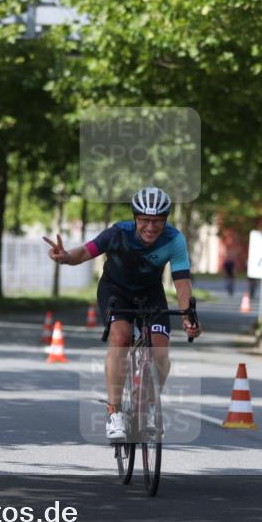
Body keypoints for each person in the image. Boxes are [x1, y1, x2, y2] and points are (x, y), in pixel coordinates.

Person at [43, 186, 202, 441]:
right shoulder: (118, 233)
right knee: (121, 337)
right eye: (145, 220)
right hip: (115, 290)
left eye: (158, 221)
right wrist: (65, 257)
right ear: (136, 218)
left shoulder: (174, 239)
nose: (151, 227)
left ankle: (149, 407)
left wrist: (187, 316)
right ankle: (114, 411)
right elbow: (84, 252)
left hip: (150, 293)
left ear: (165, 220)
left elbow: (181, 280)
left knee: (160, 350)